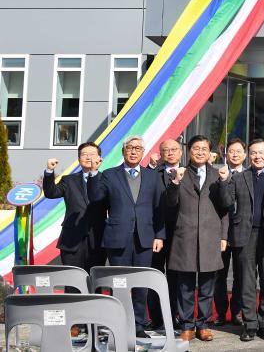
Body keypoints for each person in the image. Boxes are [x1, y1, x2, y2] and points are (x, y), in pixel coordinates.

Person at [87, 136, 164, 338]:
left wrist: (159, 235)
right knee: (119, 283)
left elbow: (159, 209)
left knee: (140, 285)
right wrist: (94, 172)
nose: (133, 151)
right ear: (123, 151)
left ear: (143, 152)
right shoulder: (109, 175)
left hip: (145, 238)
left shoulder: (152, 176)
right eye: (129, 148)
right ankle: (117, 324)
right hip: (117, 237)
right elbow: (95, 197)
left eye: (138, 148)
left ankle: (138, 326)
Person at [219, 139, 264, 342]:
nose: (257, 156)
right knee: (246, 282)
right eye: (253, 153)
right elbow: (226, 202)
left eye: (261, 153)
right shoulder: (239, 177)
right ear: (248, 156)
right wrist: (224, 181)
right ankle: (250, 323)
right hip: (244, 235)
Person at [164, 135, 228, 342]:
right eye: (196, 148)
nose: (200, 152)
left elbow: (226, 206)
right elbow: (170, 204)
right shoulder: (179, 173)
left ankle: (203, 324)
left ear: (210, 152)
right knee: (185, 287)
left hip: (210, 237)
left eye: (204, 148)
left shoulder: (217, 174)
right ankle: (186, 324)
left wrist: (225, 182)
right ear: (188, 151)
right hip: (185, 237)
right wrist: (175, 182)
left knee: (208, 286)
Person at [43, 142, 107, 337]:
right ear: (79, 158)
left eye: (92, 154)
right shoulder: (69, 180)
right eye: (84, 154)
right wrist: (48, 172)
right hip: (72, 238)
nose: (88, 157)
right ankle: (73, 323)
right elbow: (51, 192)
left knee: (95, 281)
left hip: (98, 236)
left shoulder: (106, 178)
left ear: (99, 158)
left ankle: (96, 322)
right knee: (72, 281)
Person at [147, 139, 183, 330]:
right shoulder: (153, 173)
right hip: (156, 231)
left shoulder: (188, 172)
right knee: (155, 274)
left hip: (181, 232)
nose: (170, 153)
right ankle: (155, 317)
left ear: (181, 152)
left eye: (174, 149)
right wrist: (151, 165)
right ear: (160, 153)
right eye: (165, 150)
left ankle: (174, 315)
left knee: (176, 276)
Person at [213, 138, 247, 327]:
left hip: (243, 232)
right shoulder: (219, 174)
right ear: (226, 154)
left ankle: (237, 312)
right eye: (231, 151)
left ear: (245, 154)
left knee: (241, 276)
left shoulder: (250, 174)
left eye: (238, 151)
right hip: (220, 232)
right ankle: (220, 313)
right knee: (219, 275)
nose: (235, 154)